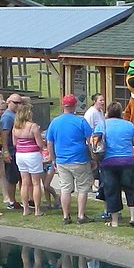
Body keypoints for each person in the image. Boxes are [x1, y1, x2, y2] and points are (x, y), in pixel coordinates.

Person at [46, 94, 94, 224]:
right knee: (82, 188)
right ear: (74, 106)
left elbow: (49, 142)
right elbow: (90, 141)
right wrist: (92, 157)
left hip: (62, 159)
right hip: (80, 158)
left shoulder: (55, 122)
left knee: (65, 188)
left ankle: (66, 216)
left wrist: (53, 158)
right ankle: (81, 215)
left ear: (63, 105)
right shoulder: (80, 121)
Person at [97, 101, 134, 229]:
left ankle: (115, 221)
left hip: (108, 162)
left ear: (108, 112)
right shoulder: (129, 125)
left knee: (112, 191)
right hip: (128, 161)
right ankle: (133, 217)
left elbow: (95, 142)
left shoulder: (102, 125)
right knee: (131, 189)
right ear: (121, 113)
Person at [11, 99, 47, 216]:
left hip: (20, 154)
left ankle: (25, 209)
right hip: (32, 154)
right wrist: (43, 142)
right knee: (36, 183)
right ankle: (37, 209)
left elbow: (15, 143)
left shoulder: (15, 127)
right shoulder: (33, 126)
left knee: (24, 182)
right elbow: (40, 144)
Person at [0, 93, 26, 211]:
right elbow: (4, 134)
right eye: (16, 103)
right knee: (12, 178)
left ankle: (23, 200)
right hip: (11, 150)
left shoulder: (16, 115)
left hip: (18, 151)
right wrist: (5, 151)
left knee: (20, 177)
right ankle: (11, 201)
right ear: (8, 102)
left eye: (20, 103)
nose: (19, 105)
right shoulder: (7, 117)